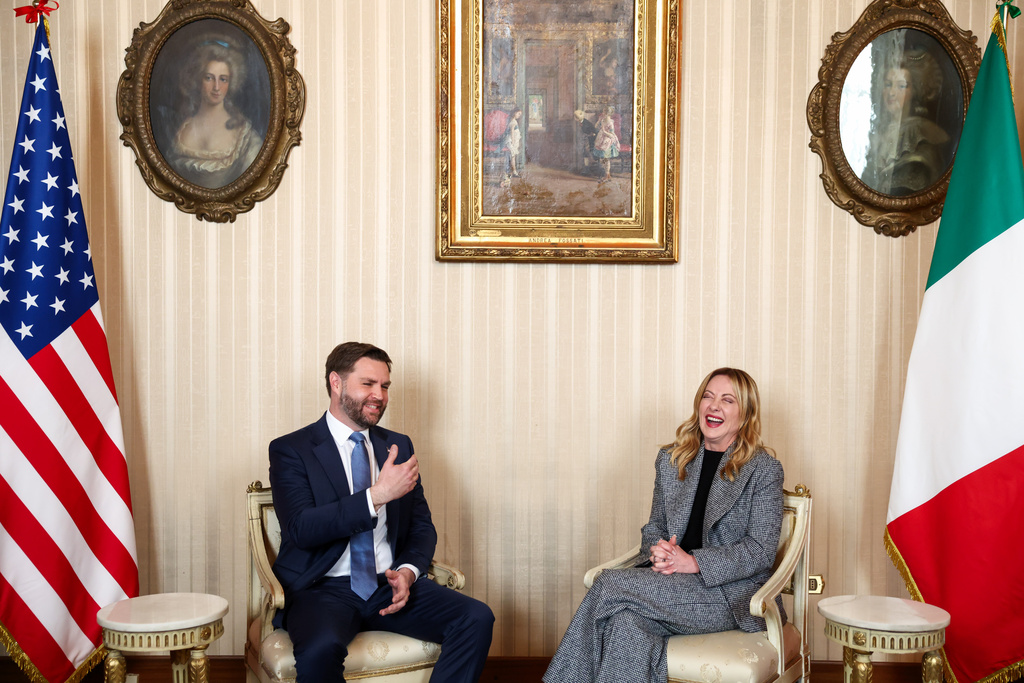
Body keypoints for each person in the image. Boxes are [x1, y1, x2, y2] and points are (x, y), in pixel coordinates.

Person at [268, 342, 494, 682]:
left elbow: (421, 526)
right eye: (368, 384)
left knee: (476, 617)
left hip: (386, 584)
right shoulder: (292, 449)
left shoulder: (398, 445)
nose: (379, 395)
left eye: (385, 386)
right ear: (336, 383)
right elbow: (301, 528)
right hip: (321, 589)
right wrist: (375, 496)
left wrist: (407, 572)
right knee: (320, 651)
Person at [543, 368, 785, 683]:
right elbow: (655, 527)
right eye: (708, 397)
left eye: (727, 400)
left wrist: (692, 562)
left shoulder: (763, 469)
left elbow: (760, 551)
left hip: (728, 596)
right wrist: (660, 551)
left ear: (745, 415)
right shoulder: (673, 460)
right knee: (625, 625)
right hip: (668, 586)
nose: (713, 406)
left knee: (609, 584)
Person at [167, 39, 264, 188]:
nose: (216, 87)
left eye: (223, 79)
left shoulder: (245, 137)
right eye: (209, 78)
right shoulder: (181, 129)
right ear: (198, 80)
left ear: (231, 82)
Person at [861, 47, 951, 196]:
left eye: (901, 86)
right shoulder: (878, 131)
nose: (892, 93)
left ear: (913, 91)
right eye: (888, 84)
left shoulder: (918, 132)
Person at [592, 106, 620, 184]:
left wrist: (604, 131)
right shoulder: (603, 119)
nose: (602, 113)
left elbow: (612, 135)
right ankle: (608, 174)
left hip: (607, 141)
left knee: (605, 159)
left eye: (604, 112)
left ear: (607, 113)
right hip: (600, 139)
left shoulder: (610, 122)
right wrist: (599, 121)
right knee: (602, 159)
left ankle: (606, 175)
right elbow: (595, 127)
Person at [502, 108, 523, 178]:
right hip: (511, 141)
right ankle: (513, 172)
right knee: (512, 156)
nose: (519, 115)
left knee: (513, 156)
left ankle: (513, 171)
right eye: (518, 114)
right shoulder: (513, 122)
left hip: (513, 141)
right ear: (515, 113)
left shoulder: (512, 121)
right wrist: (513, 143)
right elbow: (512, 133)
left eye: (520, 114)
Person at [574, 110, 597, 174]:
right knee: (582, 153)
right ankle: (584, 168)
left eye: (575, 117)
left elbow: (593, 132)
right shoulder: (580, 122)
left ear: (577, 118)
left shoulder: (586, 123)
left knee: (588, 152)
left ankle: (589, 168)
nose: (574, 118)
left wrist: (590, 135)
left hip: (589, 140)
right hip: (583, 139)